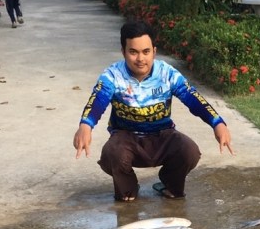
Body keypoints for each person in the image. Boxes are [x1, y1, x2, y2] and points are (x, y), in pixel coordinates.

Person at [73, 20, 234, 202]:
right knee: (112, 154)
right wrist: (86, 125)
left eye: (146, 52)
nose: (140, 59)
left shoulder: (167, 73)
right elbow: (98, 99)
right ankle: (128, 188)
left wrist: (217, 123)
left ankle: (170, 184)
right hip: (126, 138)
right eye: (133, 52)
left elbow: (193, 98)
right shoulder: (112, 75)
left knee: (189, 151)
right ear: (123, 52)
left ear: (154, 52)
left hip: (162, 136)